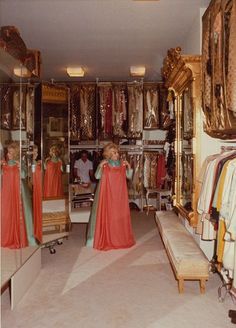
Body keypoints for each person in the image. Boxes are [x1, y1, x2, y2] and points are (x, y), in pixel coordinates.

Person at [86, 142, 135, 251]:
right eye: (114, 152)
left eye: (117, 152)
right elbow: (97, 176)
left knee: (118, 214)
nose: (117, 154)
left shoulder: (121, 164)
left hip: (119, 195)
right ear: (108, 154)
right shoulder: (105, 164)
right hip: (106, 194)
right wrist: (99, 165)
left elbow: (129, 176)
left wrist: (129, 166)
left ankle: (119, 238)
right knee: (106, 214)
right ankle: (99, 238)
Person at [1, 142, 36, 248]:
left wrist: (20, 166)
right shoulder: (4, 164)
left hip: (19, 192)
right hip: (7, 193)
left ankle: (22, 237)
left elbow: (24, 175)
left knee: (21, 212)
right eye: (8, 152)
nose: (8, 155)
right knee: (6, 213)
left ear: (15, 153)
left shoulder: (20, 164)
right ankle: (7, 236)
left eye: (11, 153)